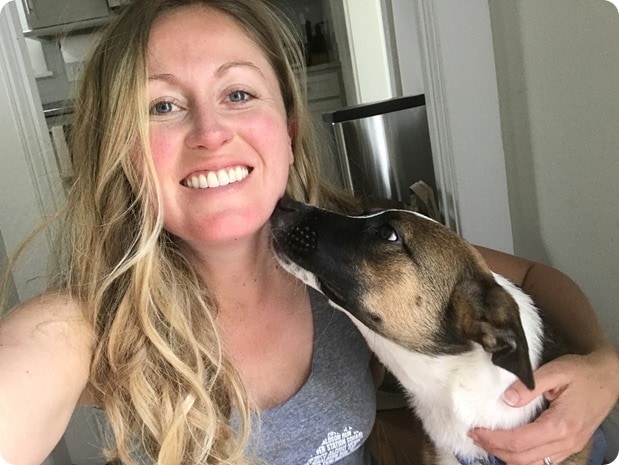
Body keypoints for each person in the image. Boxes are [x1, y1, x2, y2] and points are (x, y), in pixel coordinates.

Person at [0, 1, 617, 464]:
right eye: (161, 106)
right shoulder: (90, 326)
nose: (210, 133)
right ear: (118, 150)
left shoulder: (348, 248)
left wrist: (602, 367)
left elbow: (528, 278)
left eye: (238, 93)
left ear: (289, 128)